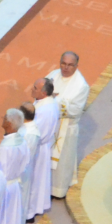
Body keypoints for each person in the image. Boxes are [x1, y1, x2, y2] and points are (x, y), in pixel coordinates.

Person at [46, 51, 90, 197]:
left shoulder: (81, 86)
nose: (65, 68)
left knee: (62, 161)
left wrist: (55, 100)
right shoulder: (53, 75)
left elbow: (76, 110)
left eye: (70, 65)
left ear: (76, 66)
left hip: (66, 128)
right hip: (49, 124)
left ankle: (58, 189)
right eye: (63, 63)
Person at [0, 109, 30, 224]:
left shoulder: (5, 148)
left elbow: (0, 171)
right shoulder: (22, 141)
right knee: (11, 221)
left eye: (4, 118)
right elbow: (26, 163)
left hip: (4, 188)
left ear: (9, 124)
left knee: (2, 221)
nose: (2, 119)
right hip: (15, 185)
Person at [26, 77, 62, 218]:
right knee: (37, 180)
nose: (32, 89)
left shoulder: (46, 109)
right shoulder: (44, 103)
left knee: (34, 181)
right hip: (40, 147)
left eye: (35, 88)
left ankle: (30, 211)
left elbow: (35, 131)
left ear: (44, 93)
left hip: (37, 149)